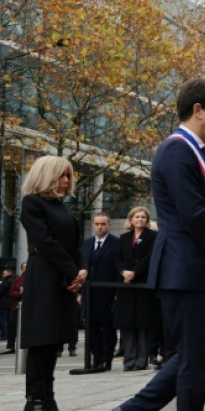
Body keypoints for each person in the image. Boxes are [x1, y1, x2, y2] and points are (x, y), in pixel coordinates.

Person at [117, 77, 205, 411]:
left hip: (192, 270)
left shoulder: (191, 151)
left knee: (194, 358)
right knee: (194, 363)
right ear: (198, 110)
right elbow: (193, 213)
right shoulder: (178, 149)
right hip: (185, 270)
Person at [19, 155, 87, 410]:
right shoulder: (32, 203)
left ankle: (47, 396)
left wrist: (81, 271)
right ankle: (36, 399)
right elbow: (45, 242)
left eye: (68, 176)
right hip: (45, 276)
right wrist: (73, 272)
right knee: (41, 339)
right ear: (46, 175)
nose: (66, 181)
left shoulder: (61, 206)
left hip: (62, 277)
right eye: (61, 175)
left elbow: (74, 243)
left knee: (54, 340)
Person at [114, 207, 158, 372]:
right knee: (127, 324)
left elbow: (149, 257)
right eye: (137, 217)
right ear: (131, 219)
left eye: (143, 217)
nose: (140, 220)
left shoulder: (152, 236)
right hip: (126, 286)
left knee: (142, 323)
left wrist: (135, 272)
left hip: (142, 284)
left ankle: (141, 360)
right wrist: (123, 272)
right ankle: (129, 359)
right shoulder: (124, 238)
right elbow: (117, 257)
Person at [83, 213, 120, 371]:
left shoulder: (116, 244)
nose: (100, 227)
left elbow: (118, 267)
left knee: (107, 327)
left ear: (109, 225)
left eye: (103, 224)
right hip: (89, 293)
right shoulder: (86, 244)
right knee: (91, 328)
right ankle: (96, 358)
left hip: (108, 293)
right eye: (97, 224)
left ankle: (107, 359)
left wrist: (118, 292)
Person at [6, 261, 26, 353]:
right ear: (21, 269)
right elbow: (11, 292)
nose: (25, 269)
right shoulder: (17, 280)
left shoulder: (34, 279)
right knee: (12, 327)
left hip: (28, 308)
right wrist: (19, 293)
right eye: (24, 267)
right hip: (16, 307)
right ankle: (10, 346)